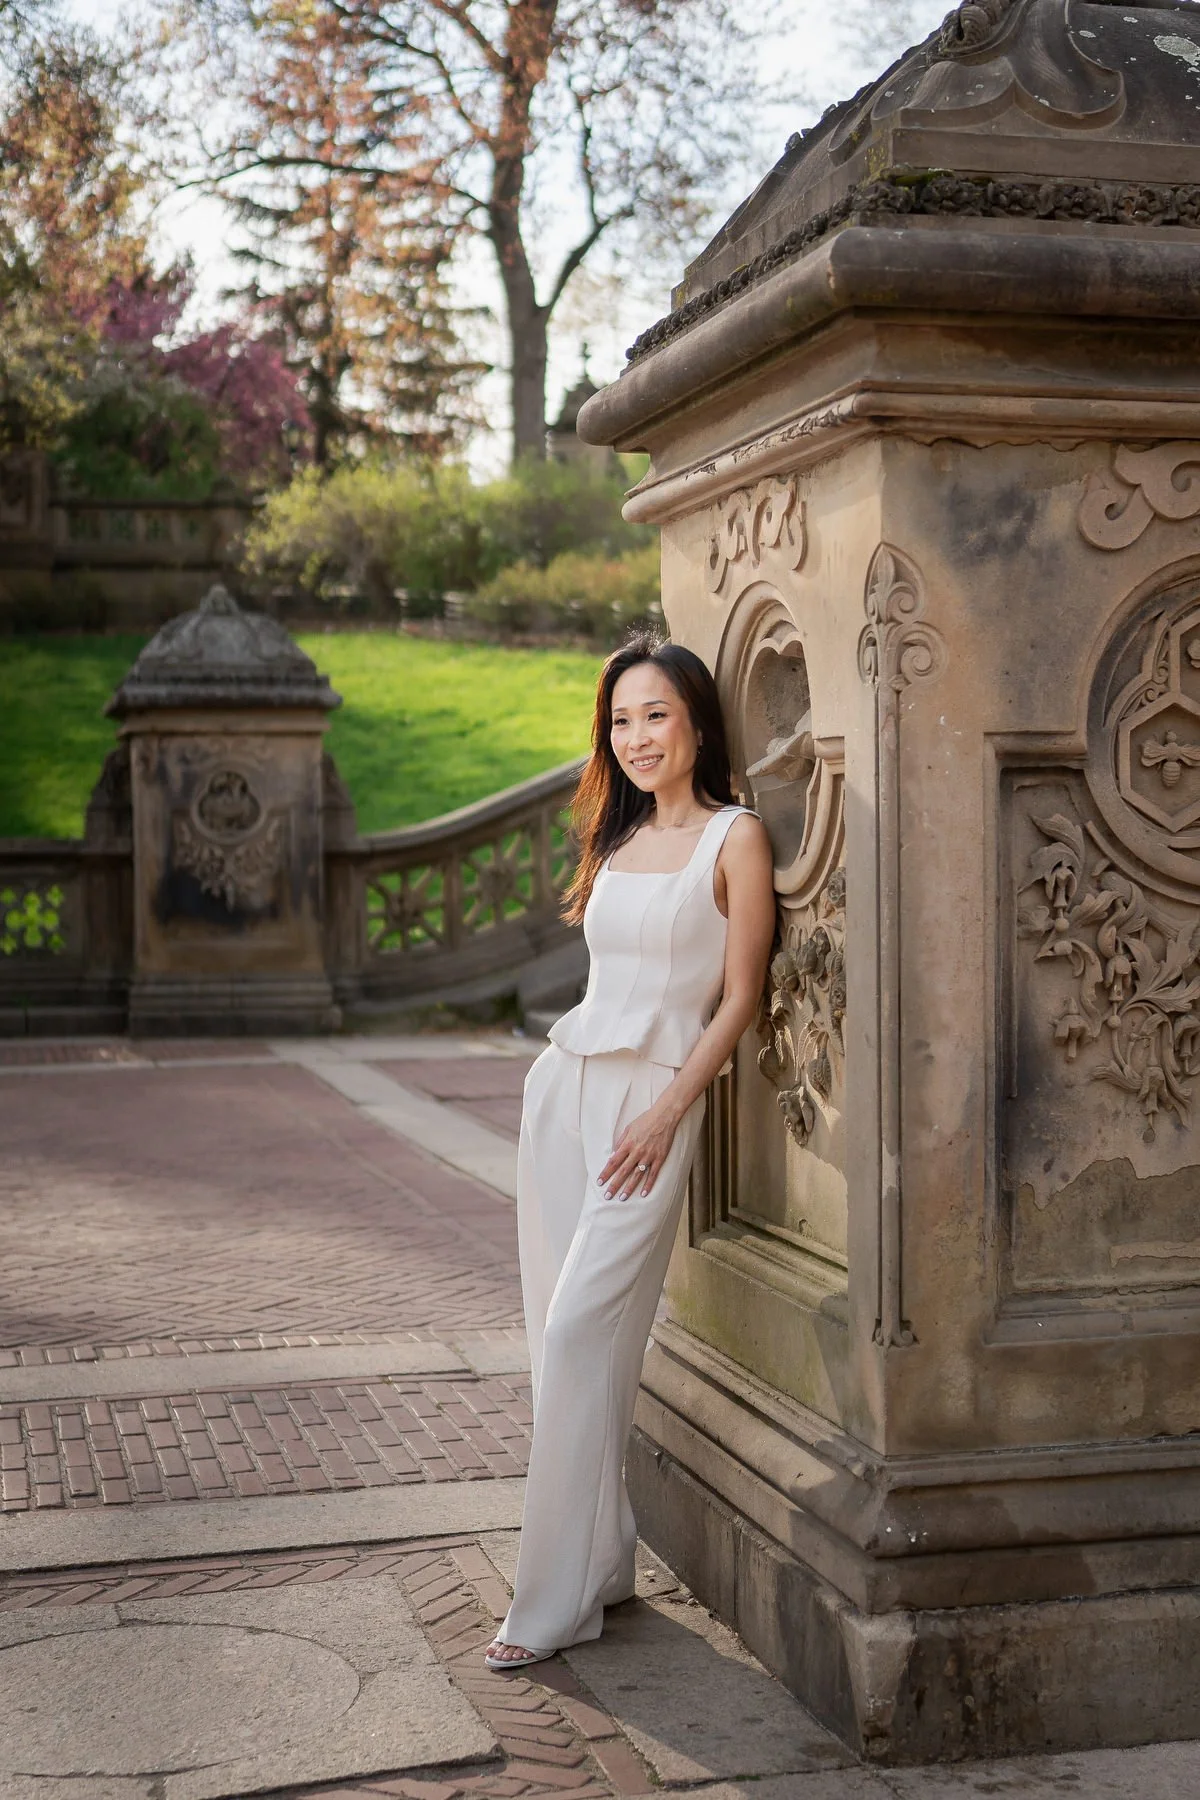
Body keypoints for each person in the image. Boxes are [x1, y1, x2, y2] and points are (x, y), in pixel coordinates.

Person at [485, 631, 777, 1672]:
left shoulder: (735, 838)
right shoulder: (616, 838)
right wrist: (555, 1088)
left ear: (697, 721)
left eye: (656, 714)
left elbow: (739, 998)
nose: (638, 736)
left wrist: (666, 1111)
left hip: (651, 1105)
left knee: (581, 1331)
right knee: (560, 1339)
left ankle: (549, 1604)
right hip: (564, 1092)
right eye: (621, 720)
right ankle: (602, 1560)